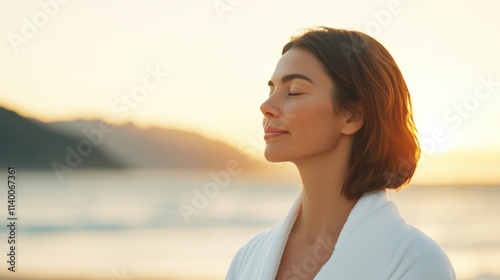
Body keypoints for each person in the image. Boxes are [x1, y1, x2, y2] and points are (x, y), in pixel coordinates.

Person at [225, 27, 456, 280]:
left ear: (353, 115)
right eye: (271, 91)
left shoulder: (416, 262)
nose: (266, 107)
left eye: (294, 91)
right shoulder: (248, 259)